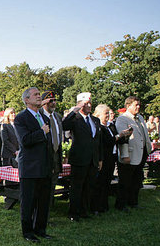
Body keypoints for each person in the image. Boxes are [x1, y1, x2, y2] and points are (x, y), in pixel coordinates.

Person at [14, 87, 53, 242]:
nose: (39, 97)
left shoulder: (45, 118)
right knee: (29, 202)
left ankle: (41, 229)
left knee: (43, 201)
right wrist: (41, 132)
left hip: (45, 166)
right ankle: (28, 232)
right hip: (30, 167)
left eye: (39, 94)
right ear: (26, 100)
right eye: (35, 95)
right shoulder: (21, 118)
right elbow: (24, 141)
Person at [62, 92, 102, 222]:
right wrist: (75, 109)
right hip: (79, 158)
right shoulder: (75, 118)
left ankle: (84, 210)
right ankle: (73, 212)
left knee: (88, 186)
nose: (89, 106)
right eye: (86, 103)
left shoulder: (95, 120)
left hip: (92, 159)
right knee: (77, 187)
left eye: (90, 103)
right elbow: (64, 125)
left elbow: (97, 141)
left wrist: (99, 158)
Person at [90, 105, 132, 214]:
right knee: (100, 182)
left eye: (108, 114)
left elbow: (116, 140)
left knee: (107, 181)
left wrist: (125, 135)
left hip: (112, 157)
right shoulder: (98, 127)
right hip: (103, 157)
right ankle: (97, 206)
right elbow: (107, 141)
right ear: (98, 115)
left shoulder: (110, 126)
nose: (108, 116)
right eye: (105, 114)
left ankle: (104, 205)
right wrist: (119, 135)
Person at [115, 96, 152, 211]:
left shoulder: (140, 117)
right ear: (128, 106)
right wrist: (125, 155)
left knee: (137, 179)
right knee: (125, 181)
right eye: (136, 105)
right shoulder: (123, 119)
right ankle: (121, 204)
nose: (138, 107)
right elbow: (123, 139)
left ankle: (133, 202)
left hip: (141, 152)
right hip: (129, 155)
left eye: (139, 104)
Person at [39, 91, 63, 207]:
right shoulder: (39, 115)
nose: (53, 103)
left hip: (55, 155)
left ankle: (48, 211)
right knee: (42, 188)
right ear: (44, 103)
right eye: (50, 101)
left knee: (52, 186)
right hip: (44, 157)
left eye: (54, 101)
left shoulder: (57, 116)